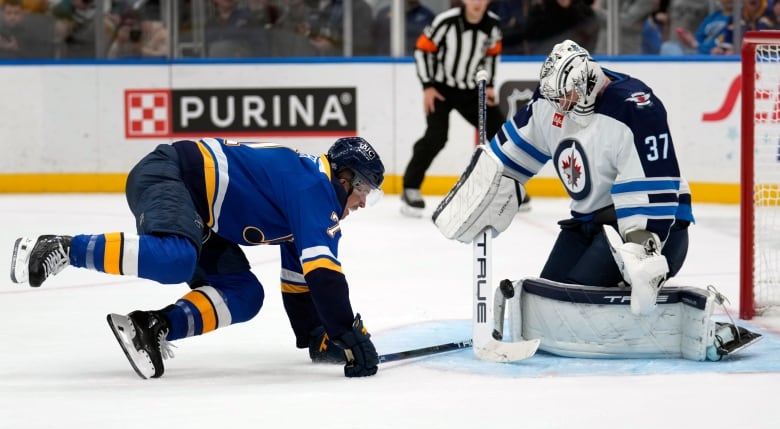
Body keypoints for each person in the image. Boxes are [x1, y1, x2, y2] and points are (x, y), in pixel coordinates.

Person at [10, 136, 384, 379]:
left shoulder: (310, 194)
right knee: (176, 258)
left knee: (245, 295)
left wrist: (317, 336)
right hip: (171, 176)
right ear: (343, 177)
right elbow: (325, 276)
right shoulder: (314, 189)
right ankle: (60, 247)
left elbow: (301, 277)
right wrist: (348, 334)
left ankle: (152, 327)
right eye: (364, 187)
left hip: (200, 213)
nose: (364, 201)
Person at [434, 40, 694, 316]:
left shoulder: (636, 108)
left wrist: (642, 252)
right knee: (545, 300)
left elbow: (652, 188)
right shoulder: (552, 100)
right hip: (588, 225)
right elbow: (509, 158)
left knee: (569, 305)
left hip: (656, 231)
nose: (559, 107)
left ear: (588, 84)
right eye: (555, 99)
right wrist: (483, 187)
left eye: (566, 97)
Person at [401, 0, 504, 216]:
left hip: (471, 90)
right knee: (435, 137)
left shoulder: (493, 24)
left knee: (500, 133)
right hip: (440, 89)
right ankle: (410, 187)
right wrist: (427, 86)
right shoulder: (445, 21)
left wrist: (491, 85)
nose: (477, 2)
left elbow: (492, 55)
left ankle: (506, 188)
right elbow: (421, 50)